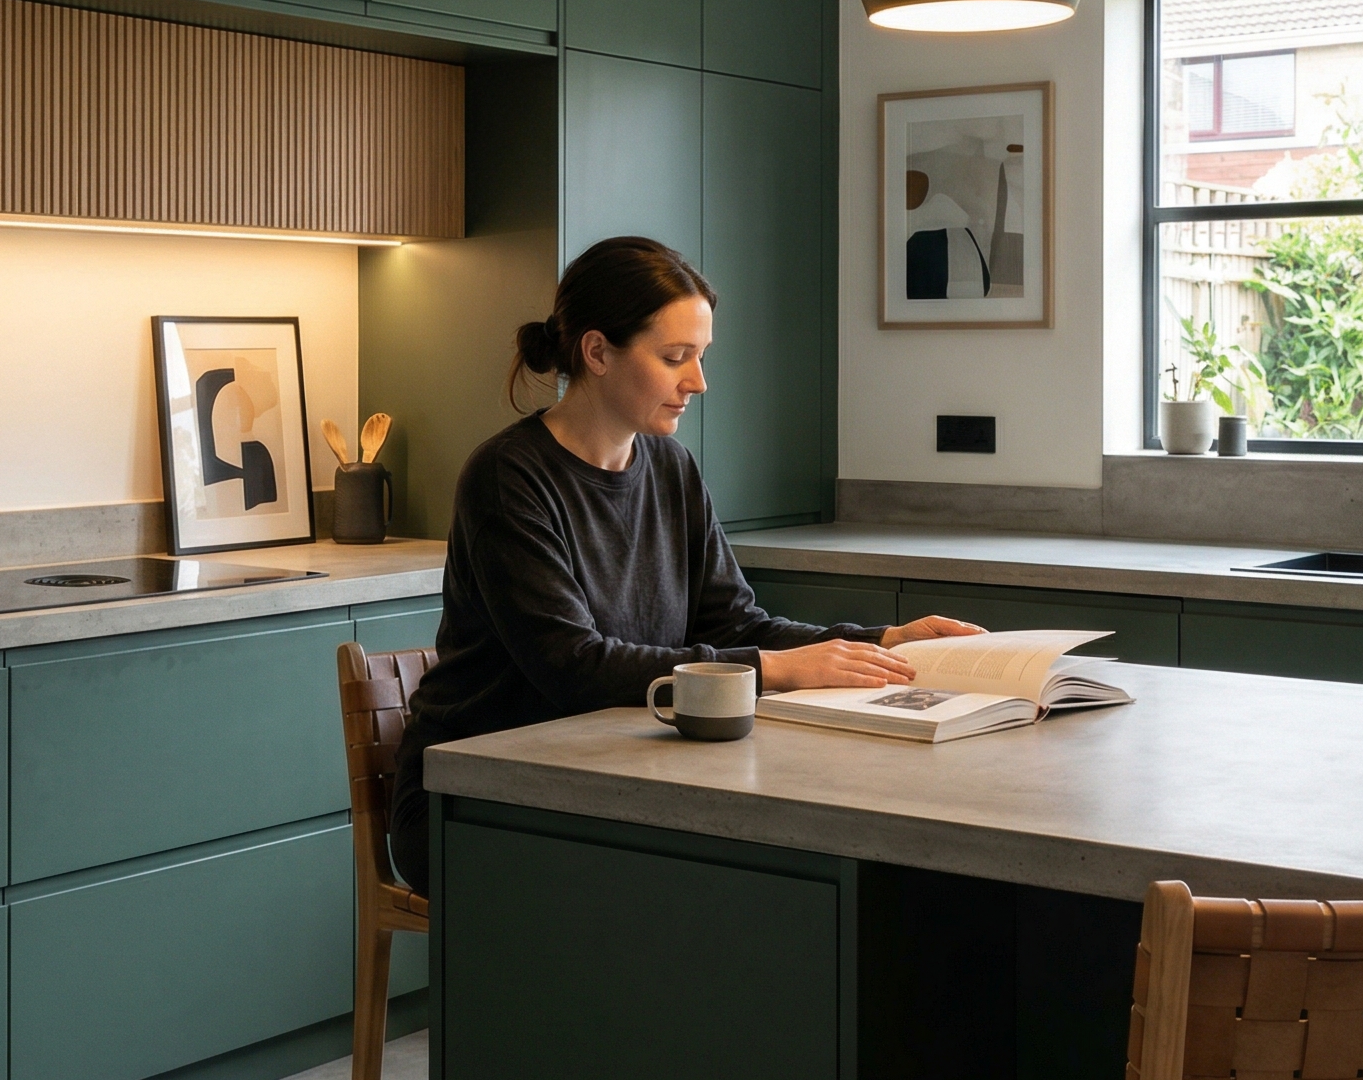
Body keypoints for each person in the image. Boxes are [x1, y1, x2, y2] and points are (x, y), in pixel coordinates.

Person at [385, 235, 980, 891]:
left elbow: (733, 623)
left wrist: (881, 643)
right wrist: (775, 669)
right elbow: (573, 666)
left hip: (615, 771)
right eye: (676, 358)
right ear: (597, 352)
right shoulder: (509, 478)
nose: (698, 382)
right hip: (475, 799)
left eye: (699, 356)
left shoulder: (670, 466)